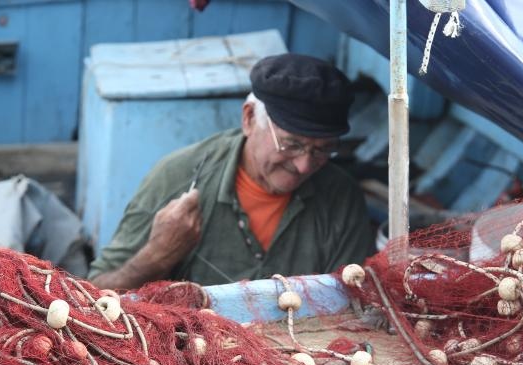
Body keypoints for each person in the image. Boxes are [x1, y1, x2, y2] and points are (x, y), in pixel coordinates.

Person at [88, 53, 374, 289]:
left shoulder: (341, 197)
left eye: (323, 150)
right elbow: (96, 294)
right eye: (291, 144)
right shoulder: (177, 177)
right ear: (249, 118)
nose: (304, 165)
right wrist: (156, 256)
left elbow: (355, 301)